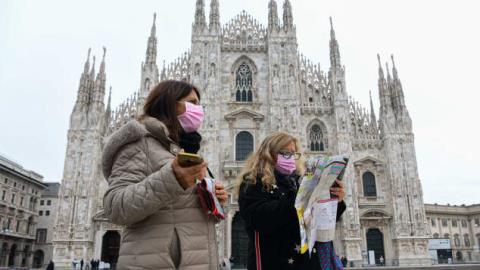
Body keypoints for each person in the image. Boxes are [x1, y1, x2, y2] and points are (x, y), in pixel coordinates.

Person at [102, 80, 228, 270]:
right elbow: (115, 206)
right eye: (192, 103)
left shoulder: (184, 148)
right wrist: (172, 180)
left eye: (199, 104)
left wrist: (213, 201)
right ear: (170, 104)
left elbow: (179, 212)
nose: (199, 110)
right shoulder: (140, 143)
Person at [237, 132, 346, 270]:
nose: (291, 158)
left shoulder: (299, 181)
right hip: (274, 261)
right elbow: (258, 218)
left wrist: (334, 200)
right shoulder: (252, 182)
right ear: (269, 153)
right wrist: (298, 197)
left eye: (294, 153)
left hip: (306, 262)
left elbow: (317, 221)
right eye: (285, 153)